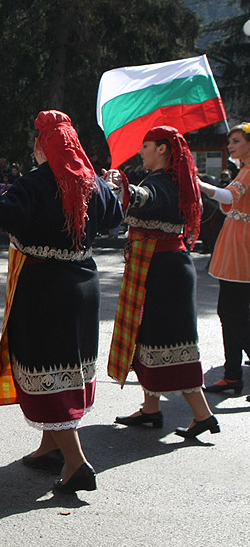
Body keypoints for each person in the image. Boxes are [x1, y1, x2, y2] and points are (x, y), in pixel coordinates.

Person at [0, 110, 122, 495]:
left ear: (43, 145)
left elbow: (0, 213)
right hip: (84, 285)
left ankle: (76, 463)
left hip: (45, 288)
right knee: (68, 367)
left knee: (45, 368)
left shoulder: (39, 183)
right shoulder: (91, 181)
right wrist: (110, 185)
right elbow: (116, 214)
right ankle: (49, 448)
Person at [106, 126, 219, 438]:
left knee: (171, 343)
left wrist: (124, 188)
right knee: (147, 337)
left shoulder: (163, 184)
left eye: (146, 146)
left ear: (164, 149)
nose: (141, 151)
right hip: (162, 267)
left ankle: (203, 414)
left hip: (163, 270)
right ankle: (151, 408)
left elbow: (146, 198)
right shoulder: (171, 180)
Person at [198, 122, 250, 396]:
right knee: (233, 312)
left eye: (237, 141)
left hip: (242, 245)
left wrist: (201, 185)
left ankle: (233, 375)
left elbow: (229, 196)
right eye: (230, 141)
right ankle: (232, 374)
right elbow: (229, 201)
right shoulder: (244, 170)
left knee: (233, 313)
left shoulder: (249, 170)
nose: (230, 146)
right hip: (237, 241)